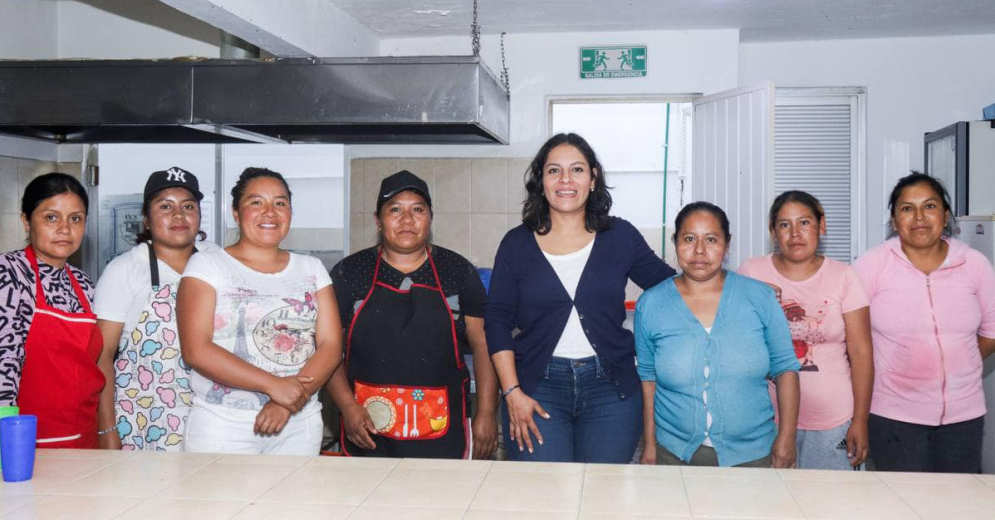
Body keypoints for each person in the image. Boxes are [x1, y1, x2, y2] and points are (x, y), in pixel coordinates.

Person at [485, 133, 676, 463]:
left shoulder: (620, 236)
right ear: (541, 180)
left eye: (576, 169)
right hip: (536, 388)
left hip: (611, 390)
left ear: (593, 178)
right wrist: (512, 393)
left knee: (601, 498)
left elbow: (672, 286)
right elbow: (497, 321)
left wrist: (740, 288)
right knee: (544, 500)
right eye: (554, 171)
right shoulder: (516, 244)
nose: (565, 180)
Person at [327, 170, 499, 459]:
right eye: (395, 210)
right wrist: (347, 406)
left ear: (430, 218)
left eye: (417, 210)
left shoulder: (457, 271)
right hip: (367, 427)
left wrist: (486, 413)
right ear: (378, 221)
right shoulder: (350, 272)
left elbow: (483, 344)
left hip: (442, 429)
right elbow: (327, 348)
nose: (407, 219)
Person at [176, 167, 341, 455]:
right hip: (223, 425)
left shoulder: (311, 268)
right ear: (236, 213)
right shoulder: (207, 266)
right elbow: (196, 350)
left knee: (294, 501)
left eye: (280, 203)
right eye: (256, 202)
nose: (270, 212)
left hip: (299, 424)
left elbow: (330, 345)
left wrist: (285, 402)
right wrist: (273, 386)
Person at [636, 202, 801, 468]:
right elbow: (648, 379)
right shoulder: (652, 304)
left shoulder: (760, 297)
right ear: (675, 242)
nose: (699, 250)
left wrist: (787, 439)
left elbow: (786, 369)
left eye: (711, 239)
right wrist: (650, 444)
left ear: (727, 244)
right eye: (689, 239)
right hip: (673, 454)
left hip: (753, 454)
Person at [854, 173, 995, 473]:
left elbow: (992, 331)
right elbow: (851, 336)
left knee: (958, 507)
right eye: (907, 208)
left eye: (929, 206)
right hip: (892, 415)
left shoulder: (975, 264)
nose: (919, 217)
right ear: (894, 221)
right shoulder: (872, 265)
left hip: (963, 416)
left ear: (945, 216)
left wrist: (958, 362)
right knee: (904, 506)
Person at [737, 191, 873, 470]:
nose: (795, 233)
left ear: (821, 226)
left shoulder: (843, 275)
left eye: (804, 223)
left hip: (834, 419)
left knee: (829, 504)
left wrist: (860, 420)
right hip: (765, 418)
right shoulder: (751, 273)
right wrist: (753, 298)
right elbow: (728, 334)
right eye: (785, 224)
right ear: (772, 231)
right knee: (769, 505)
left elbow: (861, 353)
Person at [94, 167, 216, 451]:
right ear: (147, 220)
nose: (178, 215)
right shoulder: (124, 270)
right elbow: (102, 356)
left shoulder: (217, 262)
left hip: (210, 417)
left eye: (188, 206)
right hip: (142, 417)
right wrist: (107, 428)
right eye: (165, 206)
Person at [0, 172, 104, 449]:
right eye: (51, 217)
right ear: (26, 221)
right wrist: (7, 443)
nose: (65, 229)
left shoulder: (83, 283)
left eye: (75, 218)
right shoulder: (10, 273)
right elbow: (4, 364)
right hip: (27, 441)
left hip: (83, 436)